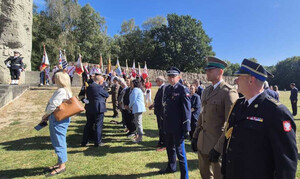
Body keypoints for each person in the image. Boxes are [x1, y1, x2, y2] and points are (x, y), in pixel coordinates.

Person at [222, 59, 297, 179]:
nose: (236, 80)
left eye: (239, 77)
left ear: (251, 80)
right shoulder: (239, 104)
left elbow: (286, 163)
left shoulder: (276, 111)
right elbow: (230, 141)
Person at [192, 57, 238, 179]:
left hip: (217, 145)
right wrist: (196, 135)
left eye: (210, 70)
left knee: (219, 176)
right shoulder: (206, 91)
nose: (207, 72)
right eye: (207, 70)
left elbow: (231, 123)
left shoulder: (228, 92)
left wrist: (218, 148)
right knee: (204, 174)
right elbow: (202, 114)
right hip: (203, 142)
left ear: (220, 72)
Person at [159, 67, 191, 179]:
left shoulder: (183, 89)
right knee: (169, 148)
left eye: (173, 76)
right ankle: (171, 167)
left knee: (180, 152)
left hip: (178, 127)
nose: (171, 79)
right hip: (168, 125)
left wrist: (186, 127)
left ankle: (184, 176)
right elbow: (165, 108)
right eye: (169, 76)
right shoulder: (167, 89)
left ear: (178, 77)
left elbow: (186, 110)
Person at [40, 71, 72, 177]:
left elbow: (53, 105)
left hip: (58, 119)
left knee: (59, 141)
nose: (53, 78)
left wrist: (45, 115)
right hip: (62, 118)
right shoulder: (66, 90)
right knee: (58, 140)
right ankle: (59, 162)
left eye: (56, 77)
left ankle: (62, 165)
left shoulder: (62, 91)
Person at [81, 73, 109, 147]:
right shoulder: (99, 87)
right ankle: (97, 141)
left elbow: (82, 95)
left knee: (88, 125)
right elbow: (106, 95)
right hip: (98, 108)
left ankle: (84, 141)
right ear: (100, 82)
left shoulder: (88, 86)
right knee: (98, 125)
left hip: (89, 108)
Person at [149, 76, 166, 150]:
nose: (156, 82)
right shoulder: (160, 88)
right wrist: (153, 105)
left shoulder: (163, 88)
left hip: (161, 112)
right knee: (160, 127)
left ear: (161, 81)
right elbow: (157, 100)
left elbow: (162, 102)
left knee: (163, 128)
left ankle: (164, 144)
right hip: (158, 111)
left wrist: (155, 105)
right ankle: (161, 142)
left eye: (157, 81)